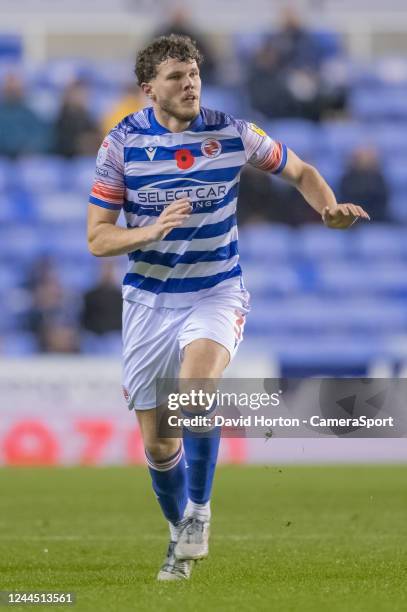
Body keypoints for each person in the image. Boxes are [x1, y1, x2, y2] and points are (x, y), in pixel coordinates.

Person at [87, 34, 369, 581]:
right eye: (175, 77)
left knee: (198, 388)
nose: (189, 83)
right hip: (148, 299)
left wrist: (329, 209)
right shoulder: (119, 145)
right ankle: (177, 534)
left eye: (193, 74)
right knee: (159, 442)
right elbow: (98, 240)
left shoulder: (233, 133)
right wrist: (151, 230)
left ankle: (200, 511)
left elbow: (302, 172)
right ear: (149, 89)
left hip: (216, 289)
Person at [339, 147, 389, 222]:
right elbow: (345, 200)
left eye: (367, 157)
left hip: (377, 218)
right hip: (353, 219)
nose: (365, 160)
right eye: (362, 157)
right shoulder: (347, 179)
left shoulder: (379, 179)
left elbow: (382, 202)